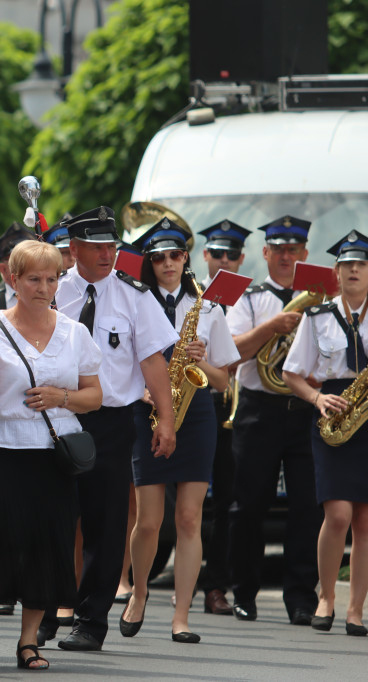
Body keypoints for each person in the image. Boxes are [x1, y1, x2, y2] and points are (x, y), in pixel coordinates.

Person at [0, 238, 101, 670]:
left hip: (53, 453)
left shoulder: (75, 332)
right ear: (12, 279)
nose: (43, 287)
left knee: (48, 543)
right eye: (33, 278)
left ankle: (29, 639)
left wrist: (62, 396)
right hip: (3, 447)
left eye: (52, 278)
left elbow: (95, 396)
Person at [47, 206, 178, 652]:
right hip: (57, 416)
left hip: (111, 419)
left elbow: (152, 360)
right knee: (55, 518)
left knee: (105, 524)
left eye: (112, 246)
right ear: (75, 248)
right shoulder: (53, 291)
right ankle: (45, 612)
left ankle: (91, 620)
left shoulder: (135, 295)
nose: (107, 254)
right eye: (98, 246)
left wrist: (166, 419)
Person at [120, 220, 240, 644]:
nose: (167, 264)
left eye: (174, 256)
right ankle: (138, 593)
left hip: (198, 413)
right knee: (149, 521)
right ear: (149, 263)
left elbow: (224, 381)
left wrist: (201, 359)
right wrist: (146, 393)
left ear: (186, 257)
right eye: (158, 258)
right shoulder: (134, 302)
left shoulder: (208, 308)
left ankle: (182, 616)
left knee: (189, 518)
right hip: (147, 411)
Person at [225, 215, 322, 625]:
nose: (285, 256)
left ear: (303, 254)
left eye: (293, 250)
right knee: (248, 506)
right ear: (265, 253)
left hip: (304, 413)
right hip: (259, 411)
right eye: (278, 249)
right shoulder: (246, 295)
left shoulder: (321, 297)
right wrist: (271, 327)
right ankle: (243, 593)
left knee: (307, 507)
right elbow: (229, 353)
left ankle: (301, 598)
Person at [282, 229, 368, 637]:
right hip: (334, 412)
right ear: (335, 273)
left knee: (366, 521)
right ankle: (326, 597)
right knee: (338, 514)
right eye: (347, 264)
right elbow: (291, 373)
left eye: (362, 264)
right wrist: (317, 399)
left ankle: (355, 609)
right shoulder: (318, 318)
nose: (354, 269)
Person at [195, 219, 251, 616]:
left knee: (225, 502)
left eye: (232, 255)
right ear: (205, 255)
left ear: (242, 258)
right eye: (217, 253)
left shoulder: (248, 299)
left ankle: (215, 585)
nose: (224, 261)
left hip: (229, 407)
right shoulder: (193, 295)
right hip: (192, 401)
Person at [0, 223, 32, 326]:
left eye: (31, 260)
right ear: (3, 269)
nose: (28, 266)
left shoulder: (51, 295)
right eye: (19, 261)